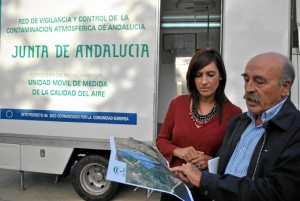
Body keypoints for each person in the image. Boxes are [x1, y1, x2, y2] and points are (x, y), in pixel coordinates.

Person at [170, 52, 300, 201]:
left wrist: (203, 180)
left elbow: (278, 192)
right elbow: (221, 174)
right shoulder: (238, 122)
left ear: (285, 86)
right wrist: (195, 179)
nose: (249, 88)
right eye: (246, 80)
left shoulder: (295, 130)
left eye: (260, 82)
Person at [156, 48, 242, 201]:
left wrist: (210, 161)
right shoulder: (178, 103)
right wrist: (178, 151)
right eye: (198, 75)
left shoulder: (234, 113)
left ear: (220, 76)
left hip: (207, 188)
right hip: (174, 185)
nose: (204, 81)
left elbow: (235, 157)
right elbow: (161, 140)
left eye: (210, 74)